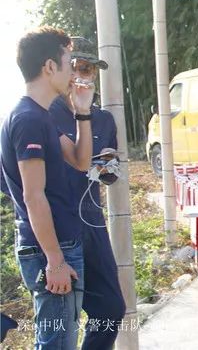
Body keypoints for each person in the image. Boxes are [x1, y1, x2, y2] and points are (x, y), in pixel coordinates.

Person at [1, 27, 94, 349]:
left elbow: (81, 162)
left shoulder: (41, 116)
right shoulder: (28, 119)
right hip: (49, 251)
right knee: (56, 343)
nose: (73, 71)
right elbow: (32, 195)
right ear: (50, 67)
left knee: (61, 338)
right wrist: (54, 261)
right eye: (69, 62)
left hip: (57, 245)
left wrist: (82, 112)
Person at [47, 37, 126, 350]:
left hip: (92, 221)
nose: (82, 74)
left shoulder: (104, 118)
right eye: (76, 67)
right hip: (56, 228)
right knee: (59, 324)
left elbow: (109, 167)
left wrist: (109, 169)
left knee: (110, 308)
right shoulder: (45, 112)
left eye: (89, 69)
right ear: (61, 70)